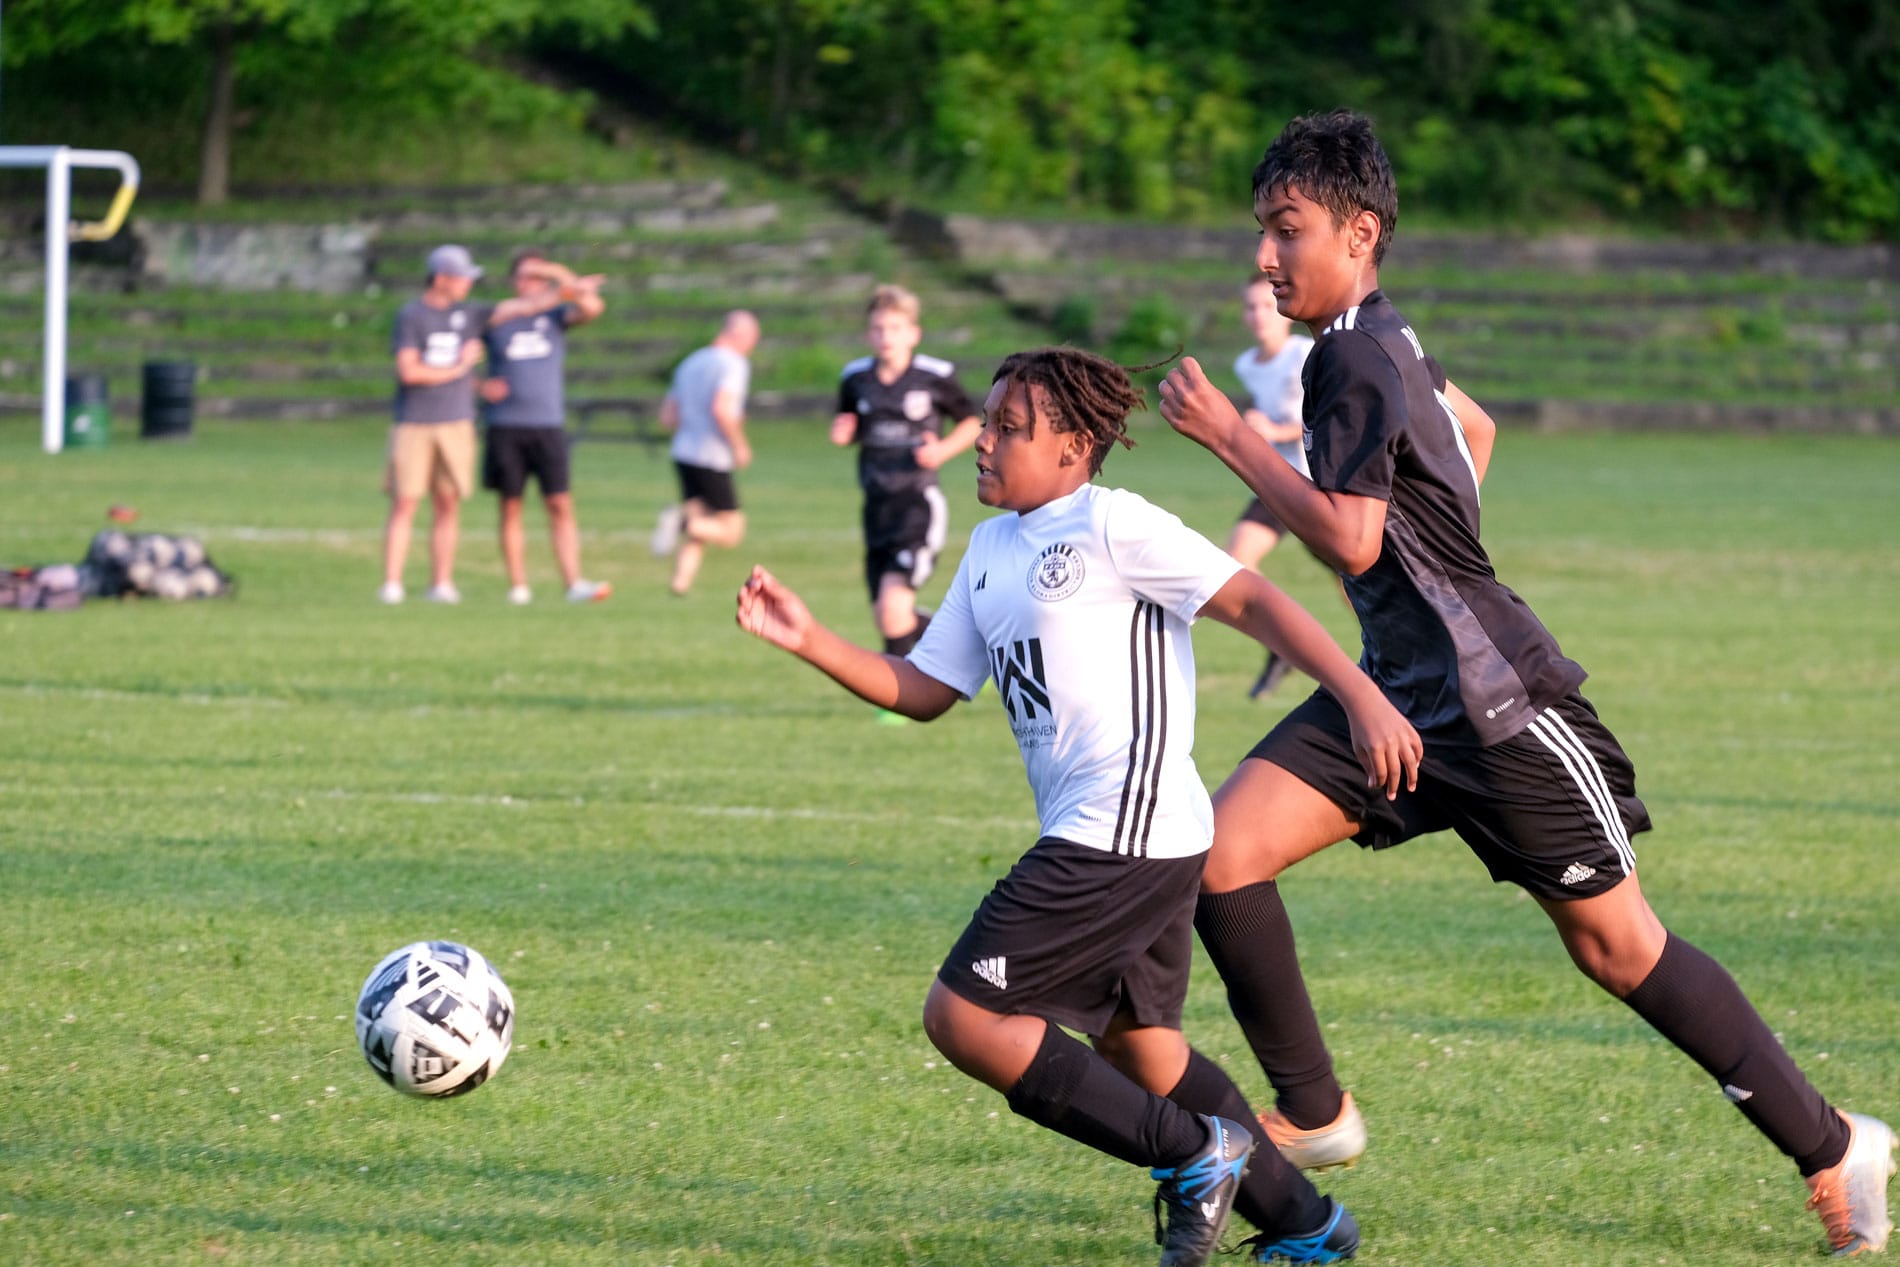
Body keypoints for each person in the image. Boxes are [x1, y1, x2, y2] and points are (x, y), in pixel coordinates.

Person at [1157, 108, 1896, 1257]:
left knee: (1619, 949)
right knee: (1221, 855)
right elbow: (1474, 427)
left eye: (1284, 229)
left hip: (1496, 712)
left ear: (1358, 232)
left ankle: (1836, 1143)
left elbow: (1351, 537)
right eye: (1262, 230)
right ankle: (1315, 1111)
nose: (1264, 256)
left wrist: (1231, 438)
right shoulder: (1380, 337)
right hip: (1400, 695)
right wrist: (1439, 568)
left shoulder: (1348, 353)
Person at [739, 344, 1425, 1264]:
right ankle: (1309, 1224)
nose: (983, 440)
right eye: (987, 422)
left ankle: (1193, 1154)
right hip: (1132, 834)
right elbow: (927, 686)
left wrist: (1361, 695)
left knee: (965, 1015)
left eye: (1009, 427)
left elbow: (1256, 601)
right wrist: (810, 638)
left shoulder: (1113, 523)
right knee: (1144, 1053)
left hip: (1122, 830)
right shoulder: (990, 548)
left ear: (1071, 447)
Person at [381, 244, 573, 605]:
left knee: (448, 503)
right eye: (462, 278)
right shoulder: (412, 315)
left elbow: (532, 305)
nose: (468, 284)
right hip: (415, 422)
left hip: (457, 422)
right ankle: (392, 584)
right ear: (441, 279)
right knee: (405, 502)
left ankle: (441, 583)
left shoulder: (471, 314)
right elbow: (410, 371)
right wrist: (460, 368)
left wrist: (558, 277)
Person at [829, 285, 983, 667]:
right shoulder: (855, 378)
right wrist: (845, 433)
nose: (886, 336)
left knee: (892, 606)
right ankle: (968, 648)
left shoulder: (934, 375)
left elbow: (971, 422)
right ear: (869, 334)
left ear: (913, 333)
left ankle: (897, 693)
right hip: (876, 506)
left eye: (895, 328)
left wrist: (942, 450)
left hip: (917, 503)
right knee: (888, 612)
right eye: (878, 328)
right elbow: (851, 424)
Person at [478, 247, 612, 606]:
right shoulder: (499, 316)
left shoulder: (555, 315)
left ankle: (573, 582)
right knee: (511, 505)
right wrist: (480, 386)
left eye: (536, 277)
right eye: (523, 275)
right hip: (506, 424)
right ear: (512, 281)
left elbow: (592, 307)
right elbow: (460, 353)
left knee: (560, 504)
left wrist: (556, 272)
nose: (529, 282)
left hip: (547, 424)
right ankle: (518, 586)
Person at [1225, 273, 1314, 699]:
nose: (1260, 315)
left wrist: (1274, 430)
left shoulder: (1305, 354)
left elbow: (1324, 418)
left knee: (1357, 586)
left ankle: (1394, 659)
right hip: (1277, 482)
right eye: (1251, 307)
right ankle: (1282, 645)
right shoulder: (1246, 364)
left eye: (1267, 305)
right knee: (1237, 560)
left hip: (1320, 486)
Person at [652, 310, 759, 597]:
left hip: (683, 452)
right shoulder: (733, 364)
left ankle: (680, 584)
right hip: (712, 455)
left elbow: (668, 417)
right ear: (741, 335)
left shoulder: (691, 361)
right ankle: (679, 522)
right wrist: (739, 444)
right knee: (732, 532)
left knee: (701, 523)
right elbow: (722, 409)